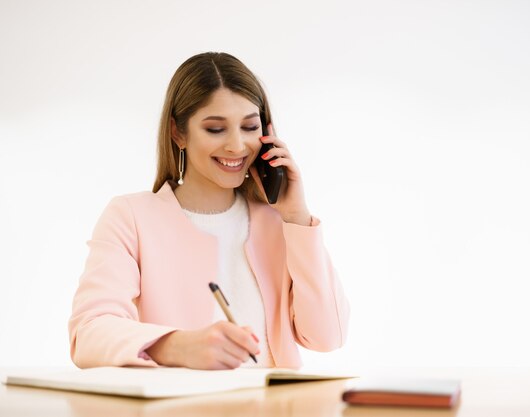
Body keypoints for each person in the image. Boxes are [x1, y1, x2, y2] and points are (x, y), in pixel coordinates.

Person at [68, 52, 349, 370]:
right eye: (216, 129)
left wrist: (297, 218)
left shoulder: (280, 223)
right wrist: (177, 346)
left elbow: (327, 336)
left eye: (249, 127)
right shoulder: (131, 216)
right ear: (178, 133)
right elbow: (88, 333)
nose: (237, 146)